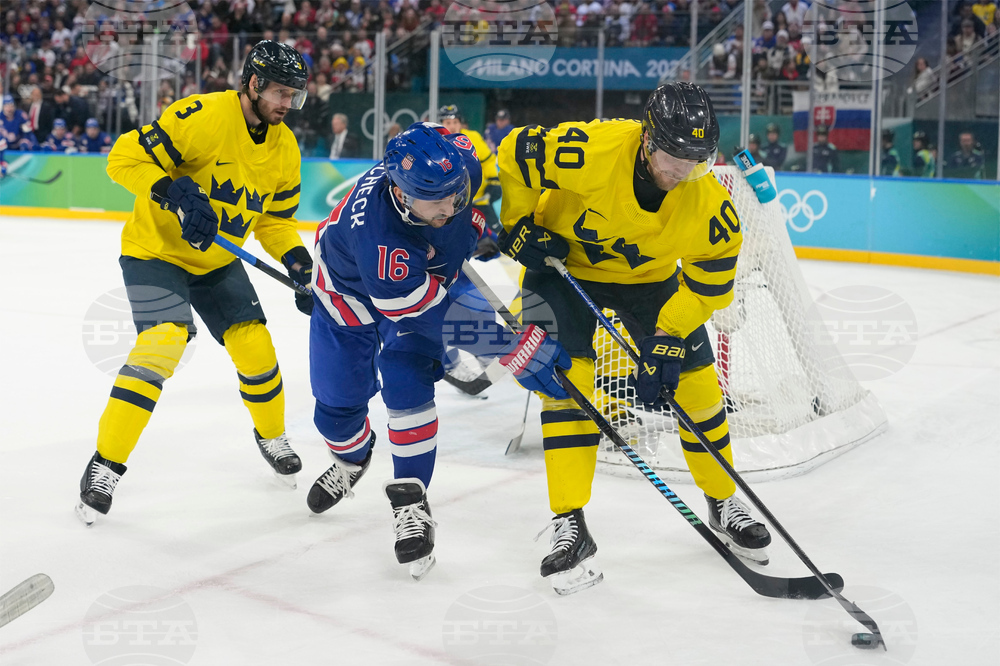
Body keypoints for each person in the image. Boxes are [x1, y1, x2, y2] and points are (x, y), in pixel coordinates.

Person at [495, 82, 772, 595]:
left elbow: (710, 286)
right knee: (569, 383)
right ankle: (569, 520)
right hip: (563, 267)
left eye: (695, 161)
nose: (681, 171)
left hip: (651, 281)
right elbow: (515, 152)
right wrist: (516, 223)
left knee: (698, 384)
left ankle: (722, 499)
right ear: (647, 140)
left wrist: (669, 332)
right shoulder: (590, 151)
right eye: (672, 157)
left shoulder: (710, 204)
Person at [306, 122, 567, 579]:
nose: (450, 206)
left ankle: (410, 502)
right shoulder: (383, 245)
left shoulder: (456, 163)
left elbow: (461, 163)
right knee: (334, 411)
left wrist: (489, 226)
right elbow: (438, 316)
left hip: (429, 280)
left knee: (404, 376)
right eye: (436, 201)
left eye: (455, 194)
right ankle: (352, 458)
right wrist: (510, 347)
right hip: (348, 296)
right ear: (402, 195)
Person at [75, 41, 315, 525]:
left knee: (255, 346)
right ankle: (106, 464)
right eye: (281, 93)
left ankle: (271, 436)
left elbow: (274, 221)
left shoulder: (285, 147)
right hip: (155, 252)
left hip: (218, 261)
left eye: (295, 95)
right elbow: (122, 159)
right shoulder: (202, 115)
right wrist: (175, 191)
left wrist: (297, 260)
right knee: (162, 343)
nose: (288, 104)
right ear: (253, 84)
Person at [439, 104, 502, 233]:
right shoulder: (437, 141)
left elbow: (488, 160)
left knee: (496, 234)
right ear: (441, 124)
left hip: (478, 198)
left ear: (461, 123)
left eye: (455, 122)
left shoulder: (473, 137)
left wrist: (493, 180)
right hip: (449, 203)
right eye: (448, 122)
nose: (452, 126)